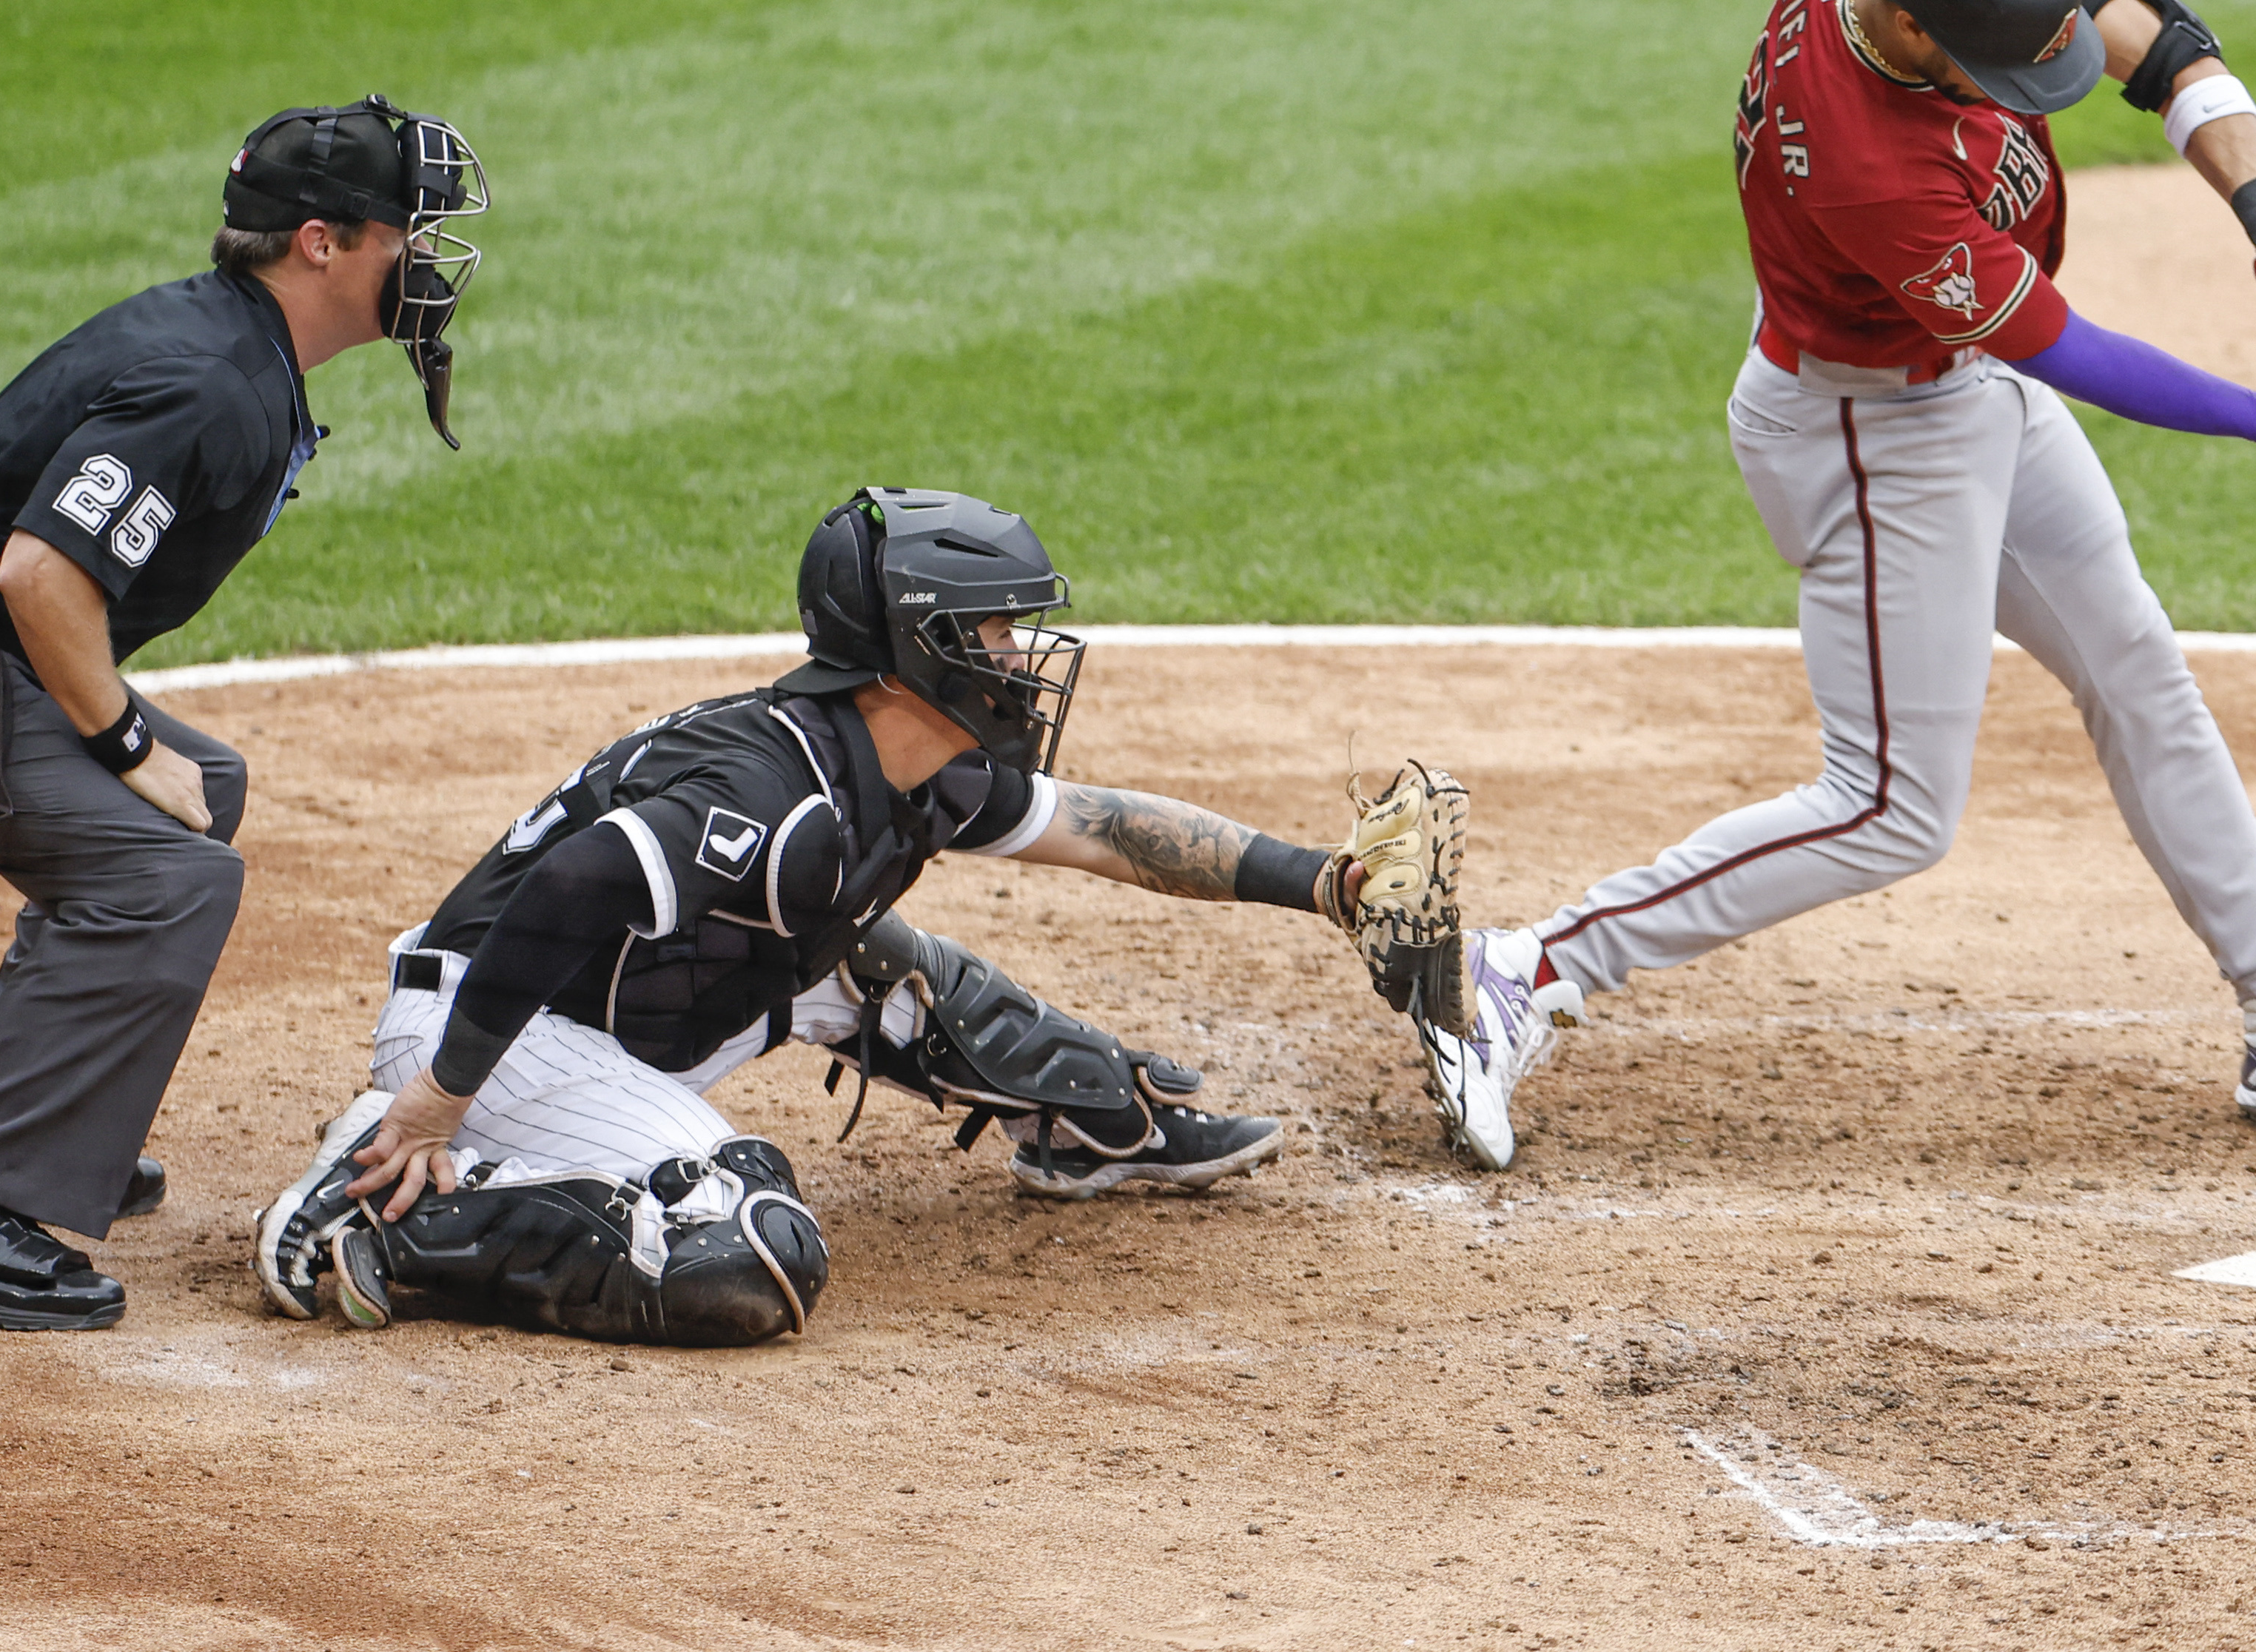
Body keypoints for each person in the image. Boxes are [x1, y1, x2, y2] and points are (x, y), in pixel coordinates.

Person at [1415, 0, 2256, 1171]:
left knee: (2139, 674)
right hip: (1874, 435)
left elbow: (2150, 30)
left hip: (1959, 388)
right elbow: (2076, 353)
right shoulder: (1867, 163)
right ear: (1913, 36)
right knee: (1889, 803)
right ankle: (1527, 970)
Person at [255, 488, 1413, 1348]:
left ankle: (1087, 1127)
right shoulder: (769, 791)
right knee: (754, 1254)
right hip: (497, 1031)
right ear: (918, 647)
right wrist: (442, 1097)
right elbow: (570, 888)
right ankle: (381, 1214)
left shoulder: (920, 768)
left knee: (871, 962)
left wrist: (1325, 884)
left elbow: (1106, 828)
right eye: (998, 633)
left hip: (631, 1003)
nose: (1024, 658)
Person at [0, 97, 491, 1329]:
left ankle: (47, 1121)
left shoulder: (239, 344)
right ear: (322, 243)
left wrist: (150, 756)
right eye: (406, 234)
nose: (425, 261)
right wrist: (124, 742)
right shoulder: (212, 380)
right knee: (166, 873)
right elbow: (40, 574)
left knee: (204, 798)